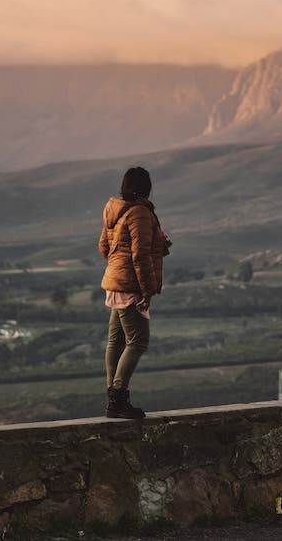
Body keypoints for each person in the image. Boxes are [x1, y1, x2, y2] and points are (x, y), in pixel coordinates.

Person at [98, 166, 169, 419]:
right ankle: (118, 397)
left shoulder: (114, 210)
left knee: (115, 342)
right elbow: (139, 255)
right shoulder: (140, 212)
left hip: (115, 283)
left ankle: (112, 397)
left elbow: (104, 247)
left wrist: (119, 265)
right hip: (131, 287)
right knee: (138, 341)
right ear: (146, 187)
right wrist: (147, 290)